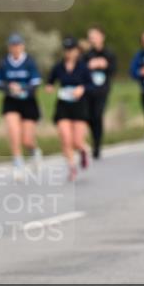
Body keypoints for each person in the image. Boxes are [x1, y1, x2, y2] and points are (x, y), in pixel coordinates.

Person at [0, 33, 43, 177]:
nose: (15, 49)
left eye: (18, 45)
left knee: (27, 139)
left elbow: (36, 83)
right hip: (11, 101)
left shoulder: (29, 62)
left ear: (22, 46)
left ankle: (34, 151)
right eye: (12, 46)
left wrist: (23, 88)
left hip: (28, 101)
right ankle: (17, 162)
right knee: (13, 131)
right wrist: (9, 87)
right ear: (9, 47)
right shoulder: (4, 63)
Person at [46, 36, 93, 180]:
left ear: (77, 51)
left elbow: (92, 85)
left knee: (77, 141)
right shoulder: (58, 67)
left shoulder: (83, 67)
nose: (69, 53)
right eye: (66, 50)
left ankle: (84, 150)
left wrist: (82, 88)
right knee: (66, 139)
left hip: (79, 105)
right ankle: (72, 167)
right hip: (63, 105)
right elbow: (50, 81)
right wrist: (50, 87)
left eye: (71, 50)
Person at [82, 26, 118, 159]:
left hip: (102, 90)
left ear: (101, 36)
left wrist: (105, 65)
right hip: (88, 90)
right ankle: (89, 141)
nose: (92, 39)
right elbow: (80, 71)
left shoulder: (109, 53)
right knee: (87, 117)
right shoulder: (86, 55)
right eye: (90, 36)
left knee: (97, 115)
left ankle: (97, 145)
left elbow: (114, 70)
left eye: (94, 36)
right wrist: (89, 65)